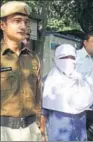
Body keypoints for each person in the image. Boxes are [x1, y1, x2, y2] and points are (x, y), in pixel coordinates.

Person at [41, 44, 93, 141]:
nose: (69, 61)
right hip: (59, 137)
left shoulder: (81, 80)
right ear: (56, 59)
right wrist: (42, 133)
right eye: (64, 57)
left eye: (72, 57)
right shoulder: (47, 83)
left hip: (80, 136)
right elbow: (42, 113)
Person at [0, 1, 42, 141]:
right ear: (2, 25)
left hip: (31, 130)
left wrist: (40, 127)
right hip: (4, 132)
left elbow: (38, 97)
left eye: (26, 22)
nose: (23, 26)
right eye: (17, 21)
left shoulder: (33, 59)